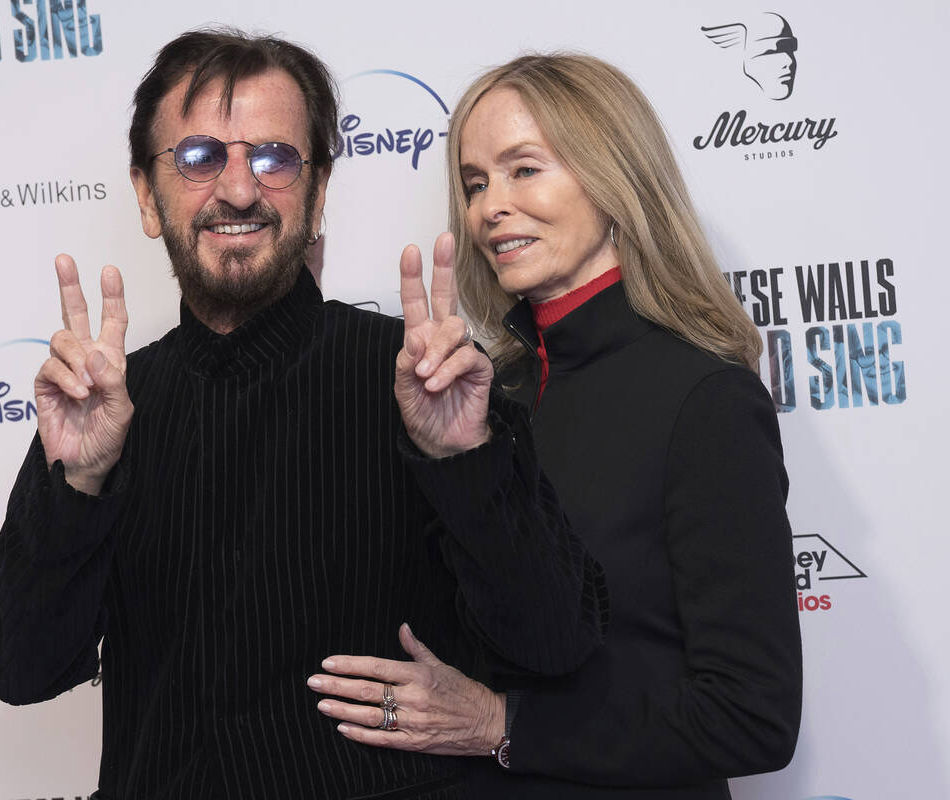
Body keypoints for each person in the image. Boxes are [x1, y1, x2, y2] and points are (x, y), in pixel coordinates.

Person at [0, 32, 606, 800]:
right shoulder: (109, 407)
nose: (239, 190)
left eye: (274, 159)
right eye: (200, 158)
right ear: (144, 193)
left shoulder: (422, 383)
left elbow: (556, 643)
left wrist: (465, 458)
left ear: (318, 191)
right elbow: (18, 668)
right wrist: (77, 483)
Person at [307, 53, 802, 799]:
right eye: (475, 183)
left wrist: (504, 724)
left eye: (523, 170)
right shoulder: (486, 394)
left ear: (613, 180)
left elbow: (752, 715)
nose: (487, 208)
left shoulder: (705, 399)